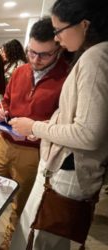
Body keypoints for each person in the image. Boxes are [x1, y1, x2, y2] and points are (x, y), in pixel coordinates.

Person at [10, 0, 108, 249]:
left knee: (41, 236)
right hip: (65, 164)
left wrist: (35, 127)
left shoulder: (96, 58)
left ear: (84, 25)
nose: (57, 37)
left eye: (59, 30)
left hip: (67, 169)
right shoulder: (93, 56)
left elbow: (88, 133)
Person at [0, 17, 69, 250]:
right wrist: (2, 112)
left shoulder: (68, 78)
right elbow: (8, 102)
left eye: (44, 55)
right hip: (3, 141)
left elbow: (64, 123)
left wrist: (35, 127)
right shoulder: (20, 71)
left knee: (21, 205)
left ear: (58, 49)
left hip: (34, 152)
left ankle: (8, 244)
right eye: (31, 52)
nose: (35, 59)